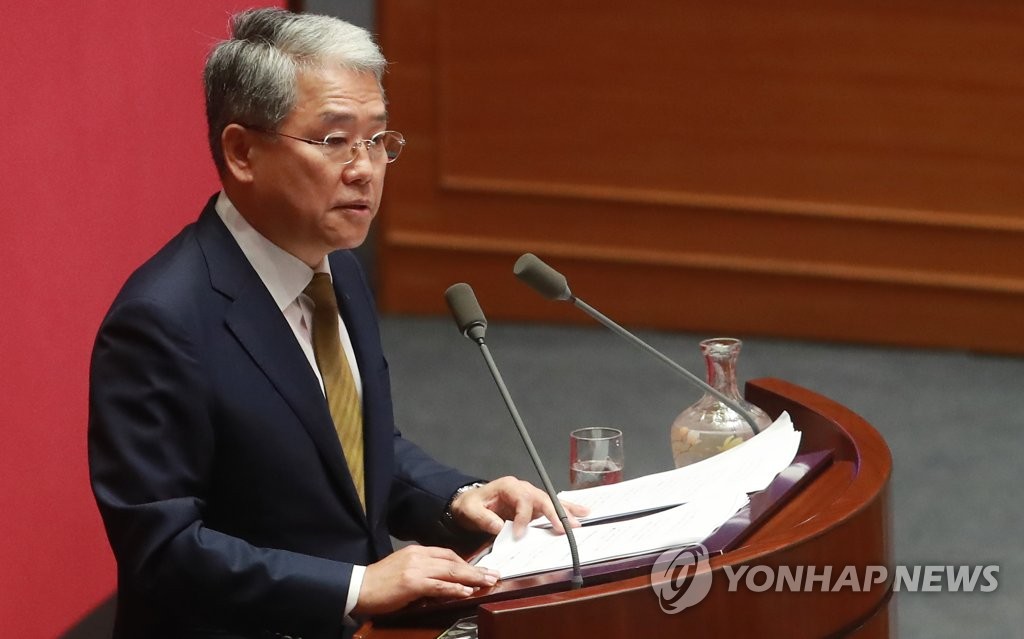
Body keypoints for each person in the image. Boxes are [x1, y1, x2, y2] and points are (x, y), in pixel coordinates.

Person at [88, 8, 585, 639]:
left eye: (377, 140)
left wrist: (460, 497)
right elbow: (162, 550)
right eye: (334, 141)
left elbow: (352, 450)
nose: (365, 169)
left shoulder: (336, 268)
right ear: (242, 151)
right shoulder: (162, 321)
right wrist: (355, 586)